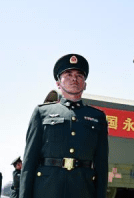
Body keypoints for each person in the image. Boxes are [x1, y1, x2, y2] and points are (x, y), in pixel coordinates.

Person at [20, 54, 108, 198]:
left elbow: (102, 166)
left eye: (80, 75)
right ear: (58, 83)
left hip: (82, 189)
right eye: (68, 74)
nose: (74, 79)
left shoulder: (97, 117)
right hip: (47, 189)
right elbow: (29, 162)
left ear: (85, 84)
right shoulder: (42, 112)